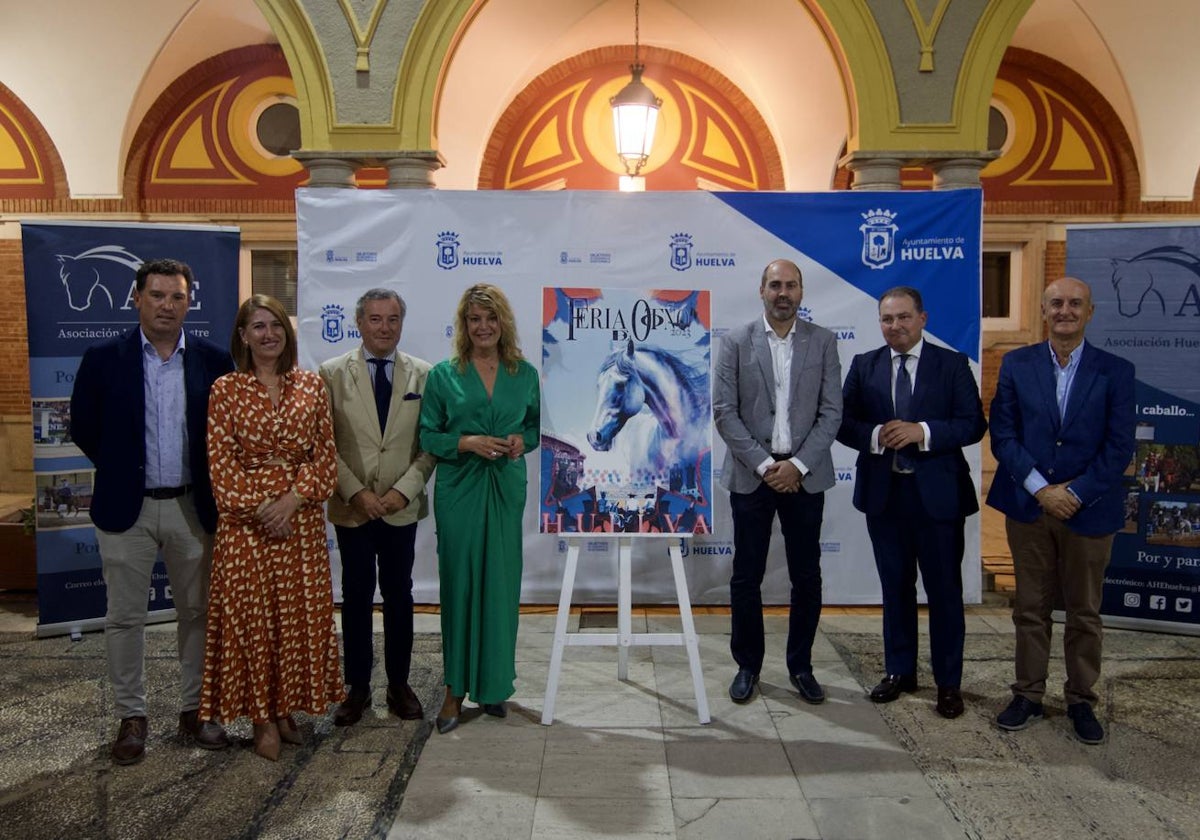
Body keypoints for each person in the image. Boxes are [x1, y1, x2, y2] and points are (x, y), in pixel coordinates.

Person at [69, 257, 234, 765]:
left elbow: (224, 434)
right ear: (137, 298)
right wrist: (124, 470)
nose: (167, 305)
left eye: (177, 296)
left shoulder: (213, 360)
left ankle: (194, 709)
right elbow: (83, 427)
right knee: (124, 618)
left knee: (198, 614)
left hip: (192, 506)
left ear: (190, 302)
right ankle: (132, 717)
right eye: (157, 295)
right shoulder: (103, 357)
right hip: (127, 510)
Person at [987, 276, 1135, 745]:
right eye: (1056, 303)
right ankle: (1028, 694)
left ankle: (1080, 700)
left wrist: (1076, 492)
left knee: (1084, 612)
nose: (1065, 310)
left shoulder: (1117, 371)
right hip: (1029, 508)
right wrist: (1040, 489)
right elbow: (1004, 434)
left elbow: (1120, 445)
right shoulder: (1016, 364)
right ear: (1043, 311)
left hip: (1088, 511)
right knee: (1030, 608)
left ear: (1090, 312)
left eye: (1075, 303)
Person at [199, 294, 343, 760]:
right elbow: (221, 469)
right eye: (258, 327)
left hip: (300, 524)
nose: (268, 335)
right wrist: (266, 508)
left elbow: (325, 457)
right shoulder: (225, 389)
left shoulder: (311, 386)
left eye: (276, 326)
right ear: (242, 336)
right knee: (255, 625)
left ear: (288, 333)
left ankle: (287, 711)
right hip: (249, 530)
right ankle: (262, 719)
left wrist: (294, 499)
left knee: (296, 622)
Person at [836, 286, 987, 719]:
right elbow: (843, 422)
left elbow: (973, 423)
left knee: (944, 593)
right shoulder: (865, 365)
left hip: (939, 500)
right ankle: (900, 671)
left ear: (922, 318)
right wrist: (874, 436)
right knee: (895, 590)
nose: (895, 326)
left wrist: (923, 430)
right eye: (887, 319)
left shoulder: (952, 364)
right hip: (886, 498)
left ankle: (948, 683)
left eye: (903, 317)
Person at [713, 258, 842, 705]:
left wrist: (798, 466)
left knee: (806, 576)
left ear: (802, 292)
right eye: (774, 285)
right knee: (746, 576)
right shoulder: (734, 342)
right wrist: (766, 465)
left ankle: (801, 666)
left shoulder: (823, 343)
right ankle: (747, 665)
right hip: (753, 476)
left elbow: (832, 412)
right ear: (761, 290)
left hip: (805, 476)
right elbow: (724, 412)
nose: (782, 292)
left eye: (790, 285)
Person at [419, 283, 539, 733]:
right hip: (460, 488)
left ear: (502, 322)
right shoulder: (444, 375)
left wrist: (520, 441)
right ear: (463, 325)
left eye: (490, 318)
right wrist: (465, 441)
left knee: (501, 586)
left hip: (505, 487)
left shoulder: (523, 374)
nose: (483, 327)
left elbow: (538, 427)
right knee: (460, 585)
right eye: (474, 319)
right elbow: (428, 436)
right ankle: (454, 691)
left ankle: (493, 687)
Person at [319, 289, 436, 726]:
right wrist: (356, 492)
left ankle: (399, 685)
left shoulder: (424, 375)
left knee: (400, 595)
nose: (383, 327)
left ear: (401, 324)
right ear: (358, 322)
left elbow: (430, 446)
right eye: (374, 319)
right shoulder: (330, 373)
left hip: (400, 506)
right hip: (354, 507)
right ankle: (358, 688)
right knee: (355, 597)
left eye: (391, 319)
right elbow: (322, 444)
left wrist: (402, 491)